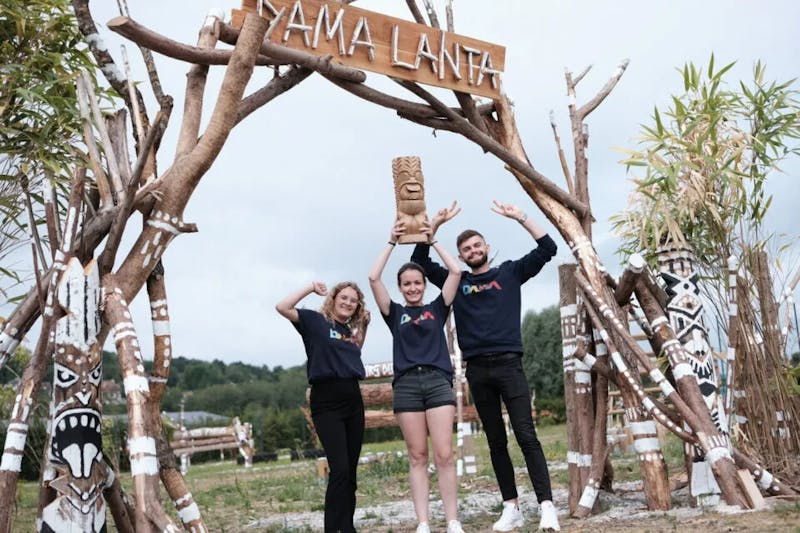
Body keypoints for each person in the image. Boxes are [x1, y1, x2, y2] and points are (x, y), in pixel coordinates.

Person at [411, 200, 561, 532]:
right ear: (461, 256)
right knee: (495, 440)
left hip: (509, 365)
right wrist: (433, 225)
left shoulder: (509, 272)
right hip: (477, 370)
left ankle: (547, 506)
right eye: (466, 248)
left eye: (477, 245)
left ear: (487, 248)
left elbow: (548, 248)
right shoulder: (457, 282)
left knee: (526, 435)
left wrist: (519, 216)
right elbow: (418, 262)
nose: (473, 250)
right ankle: (512, 507)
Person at [368, 219, 465, 533]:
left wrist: (434, 240)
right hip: (407, 386)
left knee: (445, 454)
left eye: (417, 283)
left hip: (437, 382)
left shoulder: (438, 308)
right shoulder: (395, 313)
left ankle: (452, 521)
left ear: (424, 285)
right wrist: (391, 242)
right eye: (407, 284)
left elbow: (455, 272)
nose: (412, 288)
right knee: (417, 455)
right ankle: (423, 522)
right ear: (400, 288)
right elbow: (373, 277)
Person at [276, 281, 370, 533]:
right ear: (334, 298)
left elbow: (353, 354)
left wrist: (363, 327)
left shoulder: (348, 331)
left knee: (350, 472)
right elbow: (282, 306)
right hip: (326, 401)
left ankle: (347, 527)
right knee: (339, 469)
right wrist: (309, 287)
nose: (348, 303)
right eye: (344, 297)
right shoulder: (314, 321)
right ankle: (332, 529)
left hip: (352, 398)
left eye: (354, 301)